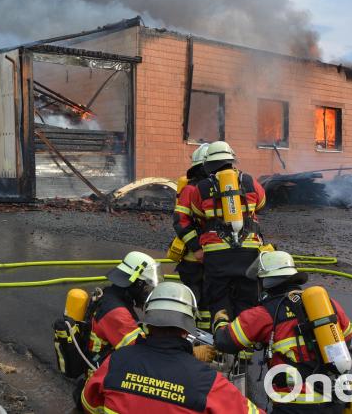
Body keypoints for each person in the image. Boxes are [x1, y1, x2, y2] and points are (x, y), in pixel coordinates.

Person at [82, 282, 265, 414]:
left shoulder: (115, 362)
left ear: (148, 324)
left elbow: (88, 403)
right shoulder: (207, 382)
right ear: (187, 331)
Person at [213, 251, 352, 413]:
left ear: (264, 281)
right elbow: (347, 337)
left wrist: (220, 321)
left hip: (294, 404)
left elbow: (225, 341)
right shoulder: (328, 305)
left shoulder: (264, 314)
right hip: (333, 400)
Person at [176, 140, 266, 321]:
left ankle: (221, 339)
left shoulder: (200, 188)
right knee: (247, 298)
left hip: (216, 254)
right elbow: (262, 204)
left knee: (218, 300)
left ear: (208, 164)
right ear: (231, 160)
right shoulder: (249, 181)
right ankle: (244, 344)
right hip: (249, 251)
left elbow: (196, 212)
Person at [71, 251, 162, 408]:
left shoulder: (112, 296)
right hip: (102, 384)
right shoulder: (116, 312)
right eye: (146, 285)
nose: (148, 291)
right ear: (136, 284)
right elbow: (140, 351)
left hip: (105, 369)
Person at [174, 143, 212, 329]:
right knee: (197, 300)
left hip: (215, 257)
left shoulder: (216, 189)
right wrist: (197, 248)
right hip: (194, 261)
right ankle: (193, 336)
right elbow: (180, 221)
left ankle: (209, 339)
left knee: (213, 299)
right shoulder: (191, 190)